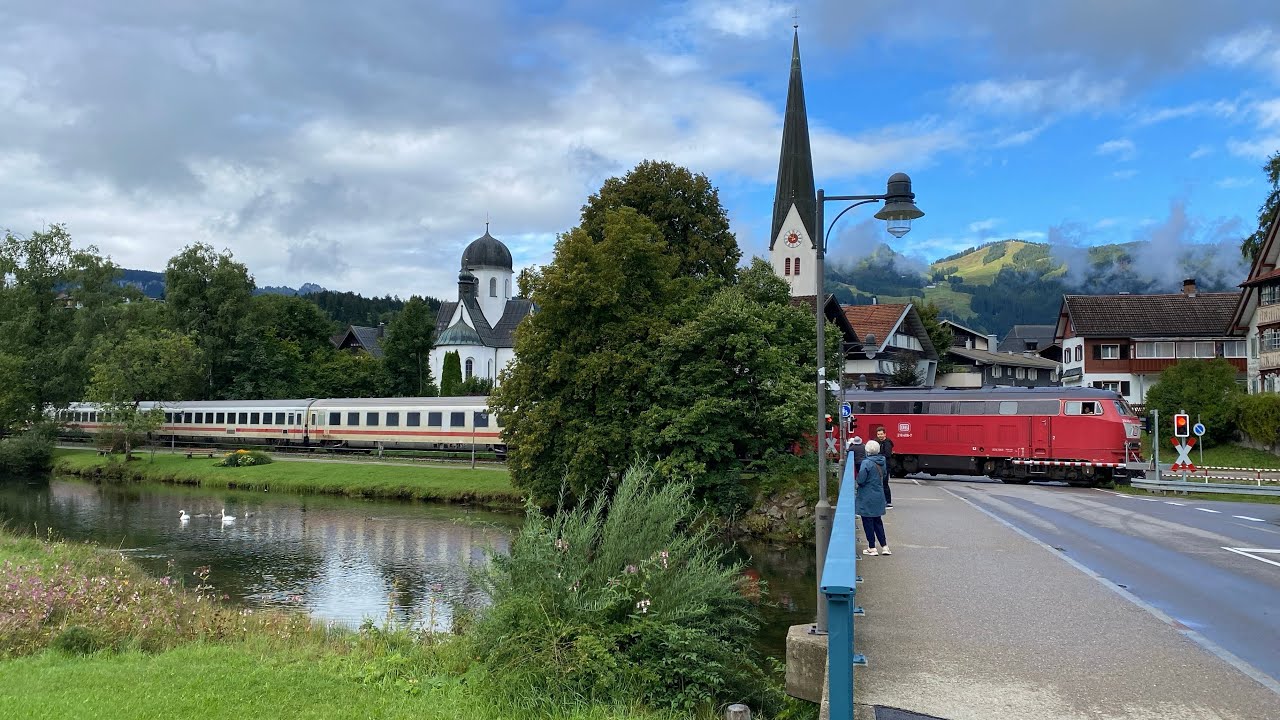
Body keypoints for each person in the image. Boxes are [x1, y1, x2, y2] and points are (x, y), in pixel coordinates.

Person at [856, 440, 890, 556]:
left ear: (867, 451)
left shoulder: (866, 463)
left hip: (867, 495)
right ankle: (885, 546)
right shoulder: (882, 461)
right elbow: (884, 475)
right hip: (878, 494)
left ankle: (872, 547)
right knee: (878, 521)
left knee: (867, 521)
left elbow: (861, 479)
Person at [875, 427, 895, 509]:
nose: (880, 436)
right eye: (878, 434)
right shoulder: (876, 442)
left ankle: (888, 501)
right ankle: (881, 501)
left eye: (881, 434)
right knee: (879, 483)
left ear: (885, 434)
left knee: (885, 483)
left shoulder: (887, 443)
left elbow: (887, 454)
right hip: (878, 465)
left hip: (885, 466)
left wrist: (878, 456)